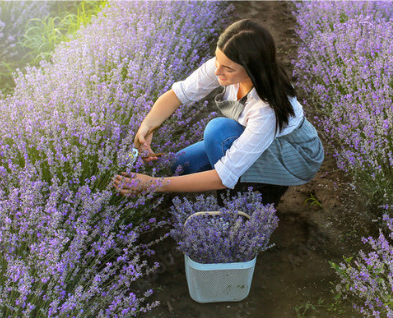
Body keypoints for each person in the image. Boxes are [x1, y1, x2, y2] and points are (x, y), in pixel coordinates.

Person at [113, 20, 324, 204]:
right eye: (217, 60)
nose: (217, 72)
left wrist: (152, 184)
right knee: (177, 166)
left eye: (228, 68)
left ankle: (252, 196)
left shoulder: (266, 107)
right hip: (253, 136)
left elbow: (224, 176)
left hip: (294, 156)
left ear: (252, 69)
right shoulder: (224, 64)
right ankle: (248, 186)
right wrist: (148, 126)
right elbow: (178, 94)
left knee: (218, 131)